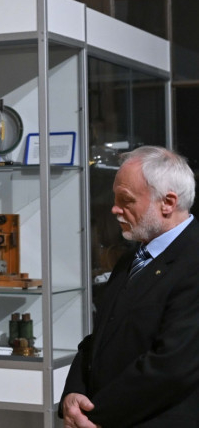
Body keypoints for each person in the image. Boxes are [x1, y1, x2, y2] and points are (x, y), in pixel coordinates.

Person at [60, 145, 199, 428]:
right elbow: (100, 339)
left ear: (168, 203)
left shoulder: (193, 261)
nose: (114, 209)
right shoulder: (131, 259)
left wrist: (95, 416)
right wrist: (72, 394)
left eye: (126, 200)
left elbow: (172, 366)